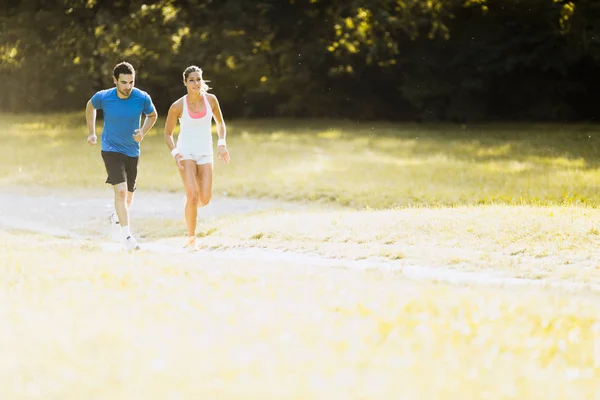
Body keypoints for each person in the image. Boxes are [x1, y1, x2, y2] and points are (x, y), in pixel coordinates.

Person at [85, 61, 158, 251]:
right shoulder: (104, 97)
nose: (128, 87)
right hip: (110, 148)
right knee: (121, 191)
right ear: (115, 81)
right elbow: (90, 107)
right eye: (124, 82)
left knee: (129, 195)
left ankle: (116, 217)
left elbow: (153, 115)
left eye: (131, 82)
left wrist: (143, 132)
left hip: (132, 150)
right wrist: (92, 132)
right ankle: (127, 237)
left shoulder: (141, 97)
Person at [164, 65, 230, 250]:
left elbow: (220, 123)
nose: (196, 83)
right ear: (185, 82)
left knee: (205, 198)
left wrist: (222, 143)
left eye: (198, 79)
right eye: (191, 80)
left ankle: (189, 205)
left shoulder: (211, 100)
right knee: (193, 195)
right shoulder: (177, 106)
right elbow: (167, 134)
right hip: (185, 152)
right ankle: (191, 238)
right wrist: (175, 153)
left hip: (205, 152)